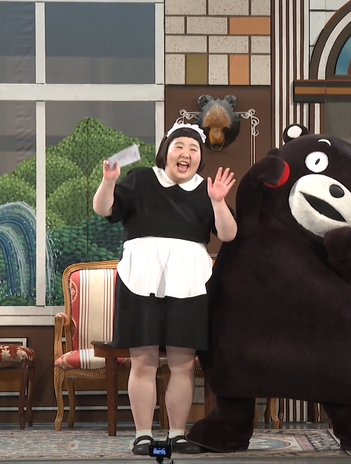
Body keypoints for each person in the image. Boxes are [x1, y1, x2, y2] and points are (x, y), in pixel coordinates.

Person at [92, 122, 237, 455]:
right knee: (143, 363)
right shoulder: (141, 179)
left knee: (182, 365)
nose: (186, 154)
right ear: (165, 152)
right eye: (179, 146)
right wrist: (109, 181)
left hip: (188, 283)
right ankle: (143, 436)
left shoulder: (207, 189)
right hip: (140, 280)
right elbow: (104, 209)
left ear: (200, 157)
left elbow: (228, 234)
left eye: (193, 149)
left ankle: (177, 436)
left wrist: (218, 202)